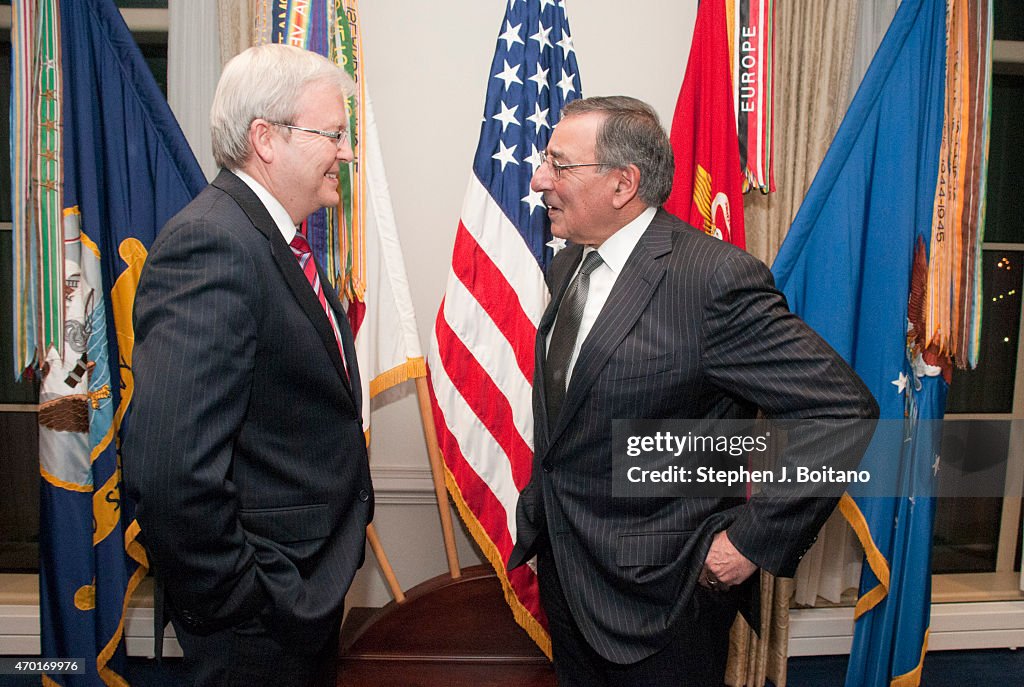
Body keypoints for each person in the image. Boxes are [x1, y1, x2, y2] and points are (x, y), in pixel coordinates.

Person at [507, 96, 879, 687]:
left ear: (623, 183)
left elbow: (843, 410)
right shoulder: (569, 266)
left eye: (559, 163)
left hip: (664, 600)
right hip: (569, 581)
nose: (539, 179)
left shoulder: (711, 281)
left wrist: (750, 542)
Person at [122, 44, 372, 687]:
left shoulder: (273, 241)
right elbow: (170, 466)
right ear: (265, 138)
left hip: (297, 602)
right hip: (258, 625)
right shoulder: (213, 243)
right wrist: (239, 600)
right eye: (333, 134)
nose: (345, 152)